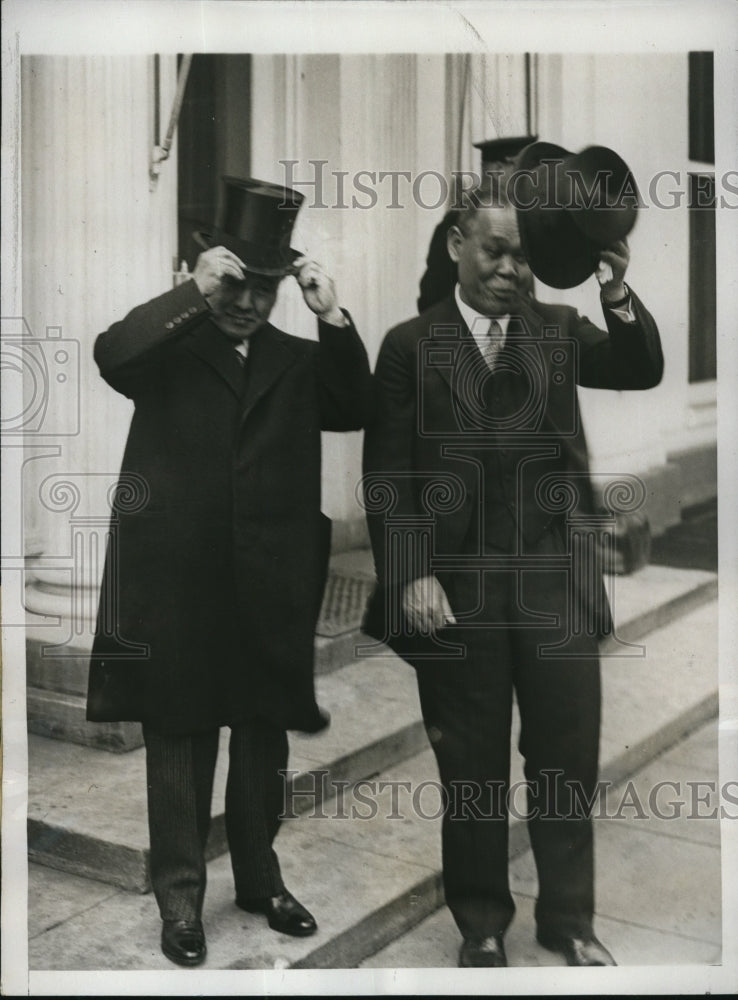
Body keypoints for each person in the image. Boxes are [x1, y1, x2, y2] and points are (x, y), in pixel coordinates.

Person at [363, 143, 663, 968]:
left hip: (553, 585)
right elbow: (388, 477)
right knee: (473, 768)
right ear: (458, 241)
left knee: (566, 757)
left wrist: (614, 287)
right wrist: (411, 570)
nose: (508, 269)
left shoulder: (559, 331)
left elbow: (641, 366)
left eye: (523, 256)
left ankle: (569, 921)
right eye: (494, 250)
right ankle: (482, 924)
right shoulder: (406, 347)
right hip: (455, 592)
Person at [87, 176, 372, 967]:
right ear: (210, 272)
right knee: (178, 735)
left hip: (269, 582)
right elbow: (112, 353)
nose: (249, 303)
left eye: (265, 288)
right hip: (178, 581)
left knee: (260, 739)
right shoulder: (168, 343)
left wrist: (332, 315)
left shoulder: (295, 356)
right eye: (236, 283)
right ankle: (179, 900)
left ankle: (259, 879)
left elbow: (357, 401)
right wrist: (190, 294)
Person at [417, 134, 537, 313]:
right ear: (498, 170)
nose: (532, 179)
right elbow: (432, 298)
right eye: (525, 170)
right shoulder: (457, 222)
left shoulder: (522, 219)